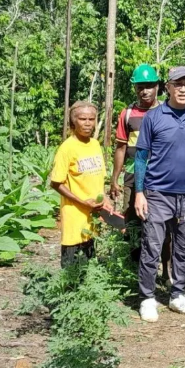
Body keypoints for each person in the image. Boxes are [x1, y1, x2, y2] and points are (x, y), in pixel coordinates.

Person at [134, 66, 185, 323]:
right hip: (157, 194)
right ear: (167, 87)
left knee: (184, 247)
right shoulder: (153, 117)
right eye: (178, 84)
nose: (183, 89)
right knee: (152, 247)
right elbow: (141, 157)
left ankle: (178, 294)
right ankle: (147, 298)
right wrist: (139, 193)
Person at [111, 64, 166, 267]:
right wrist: (114, 179)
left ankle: (160, 265)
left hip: (160, 175)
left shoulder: (166, 111)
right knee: (132, 220)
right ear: (134, 88)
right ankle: (134, 265)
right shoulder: (127, 114)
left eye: (149, 86)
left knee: (159, 220)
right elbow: (121, 148)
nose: (144, 91)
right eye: (140, 87)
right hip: (132, 174)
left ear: (157, 86)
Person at [50, 101, 113, 265]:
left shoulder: (95, 145)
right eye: (82, 119)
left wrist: (105, 199)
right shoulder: (67, 148)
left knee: (90, 262)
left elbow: (99, 178)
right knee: (72, 266)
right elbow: (56, 183)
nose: (87, 123)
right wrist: (83, 202)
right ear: (73, 121)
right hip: (75, 216)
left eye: (91, 119)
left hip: (93, 216)